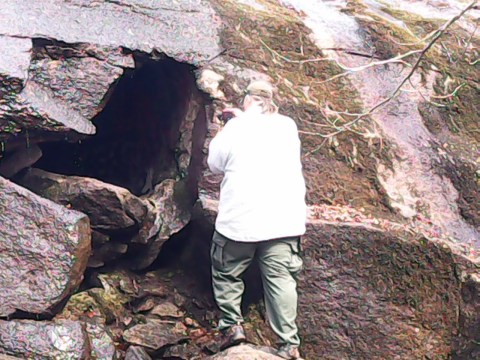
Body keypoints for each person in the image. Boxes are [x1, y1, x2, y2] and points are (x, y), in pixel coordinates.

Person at [207, 80, 307, 359]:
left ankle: (232, 327)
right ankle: (289, 344)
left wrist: (228, 126)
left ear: (248, 101)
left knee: (227, 271)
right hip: (283, 221)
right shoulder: (288, 127)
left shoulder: (236, 127)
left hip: (240, 221)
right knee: (281, 281)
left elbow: (214, 164)